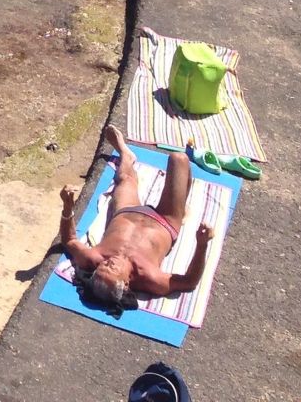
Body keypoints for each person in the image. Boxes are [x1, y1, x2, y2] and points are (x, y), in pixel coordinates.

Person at [58, 123, 214, 310]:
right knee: (178, 159)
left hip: (125, 211)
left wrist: (67, 207)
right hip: (165, 220)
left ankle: (125, 153)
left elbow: (70, 240)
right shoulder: (151, 278)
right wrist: (202, 244)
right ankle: (180, 202)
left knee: (125, 179)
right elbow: (189, 282)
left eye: (103, 266)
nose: (108, 262)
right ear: (125, 284)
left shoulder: (94, 258)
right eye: (112, 269)